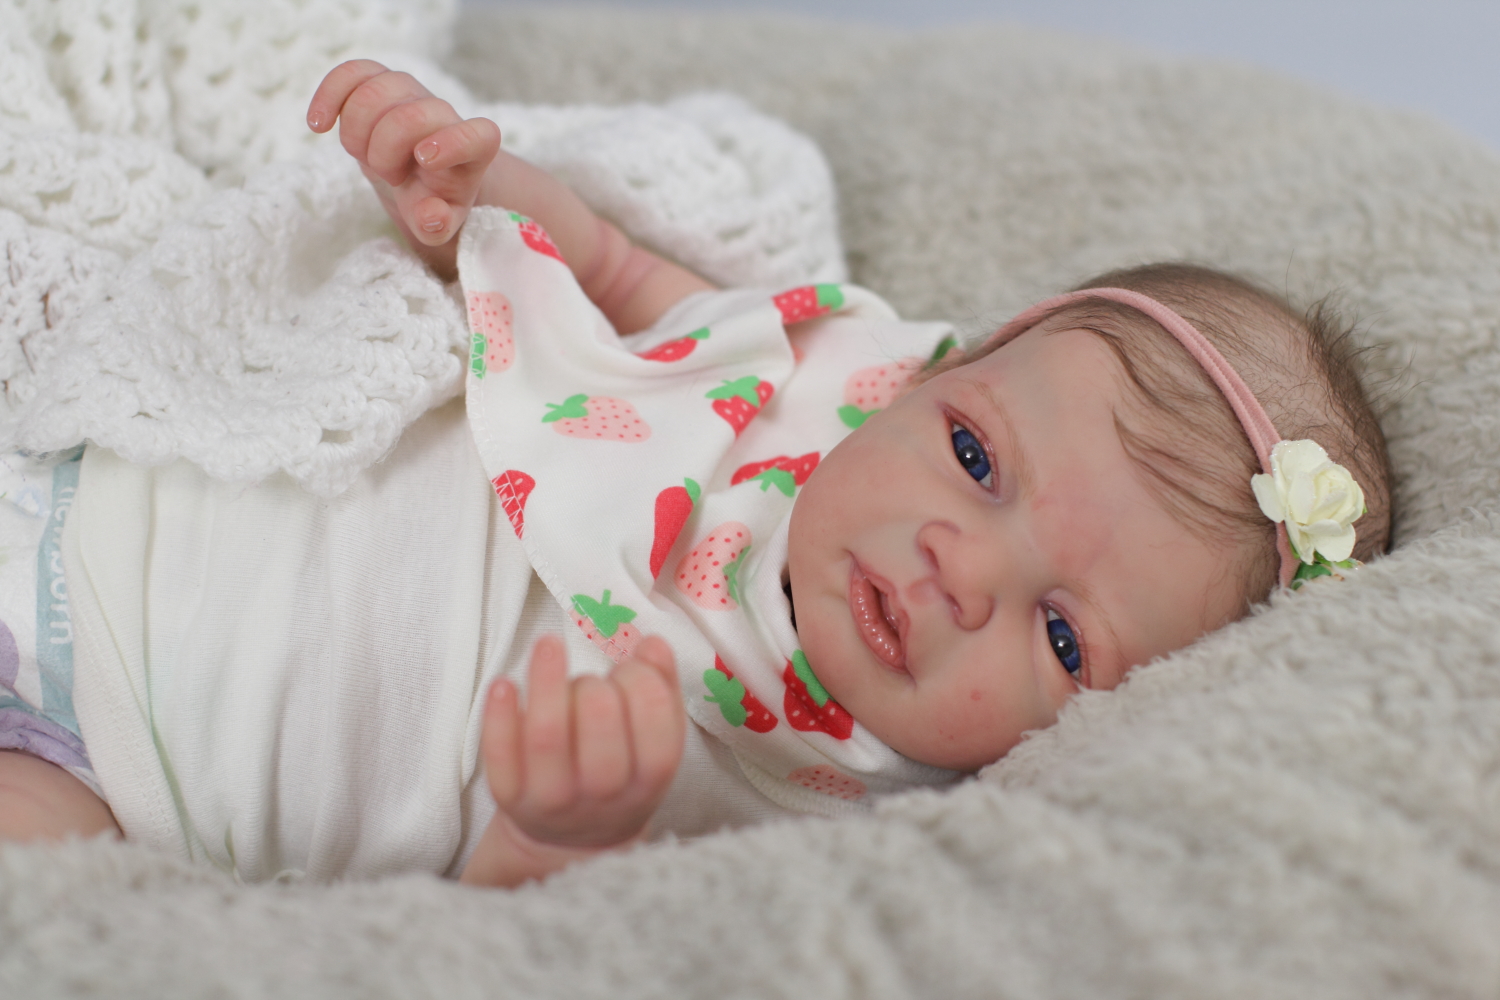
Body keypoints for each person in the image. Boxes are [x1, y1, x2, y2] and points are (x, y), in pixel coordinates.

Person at [0, 62, 1391, 889]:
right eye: (976, 459)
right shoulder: (836, 374)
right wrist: (473, 185)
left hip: (133, 778)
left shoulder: (832, 809)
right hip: (100, 514)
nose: (961, 571)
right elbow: (613, 270)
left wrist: (560, 836)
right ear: (948, 369)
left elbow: (493, 931)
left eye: (1066, 636)